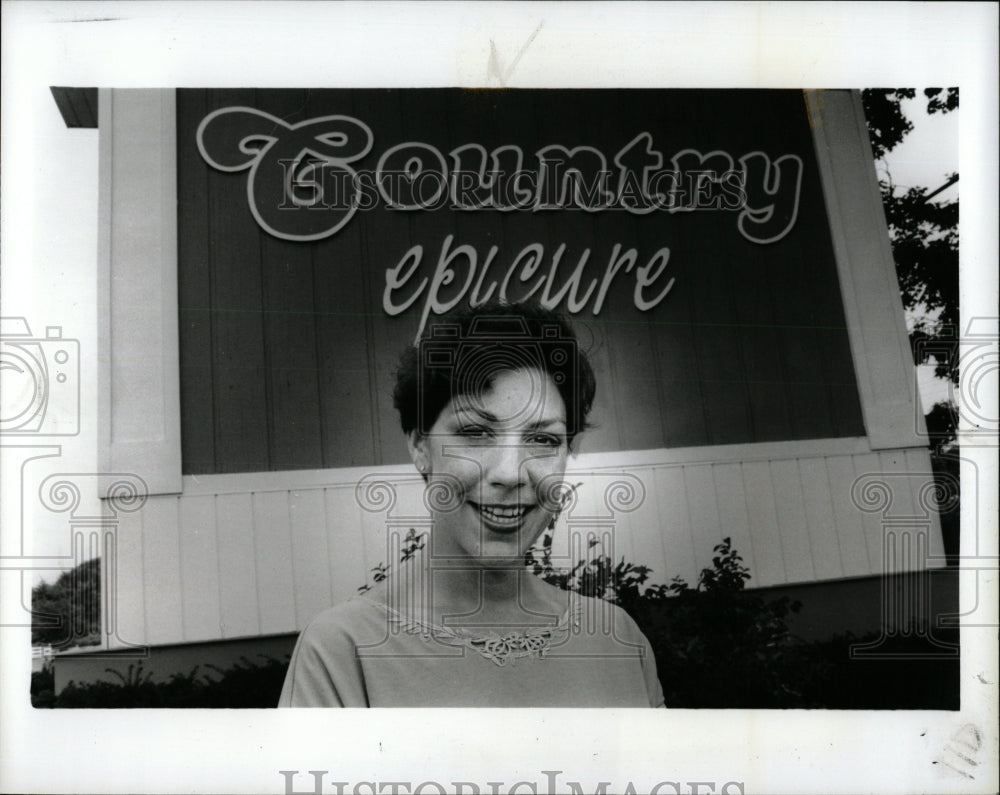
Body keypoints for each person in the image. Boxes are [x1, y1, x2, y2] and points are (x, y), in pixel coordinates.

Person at [278, 298, 665, 707]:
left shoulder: (618, 642)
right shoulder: (342, 652)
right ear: (419, 445)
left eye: (542, 439)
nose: (510, 473)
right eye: (476, 433)